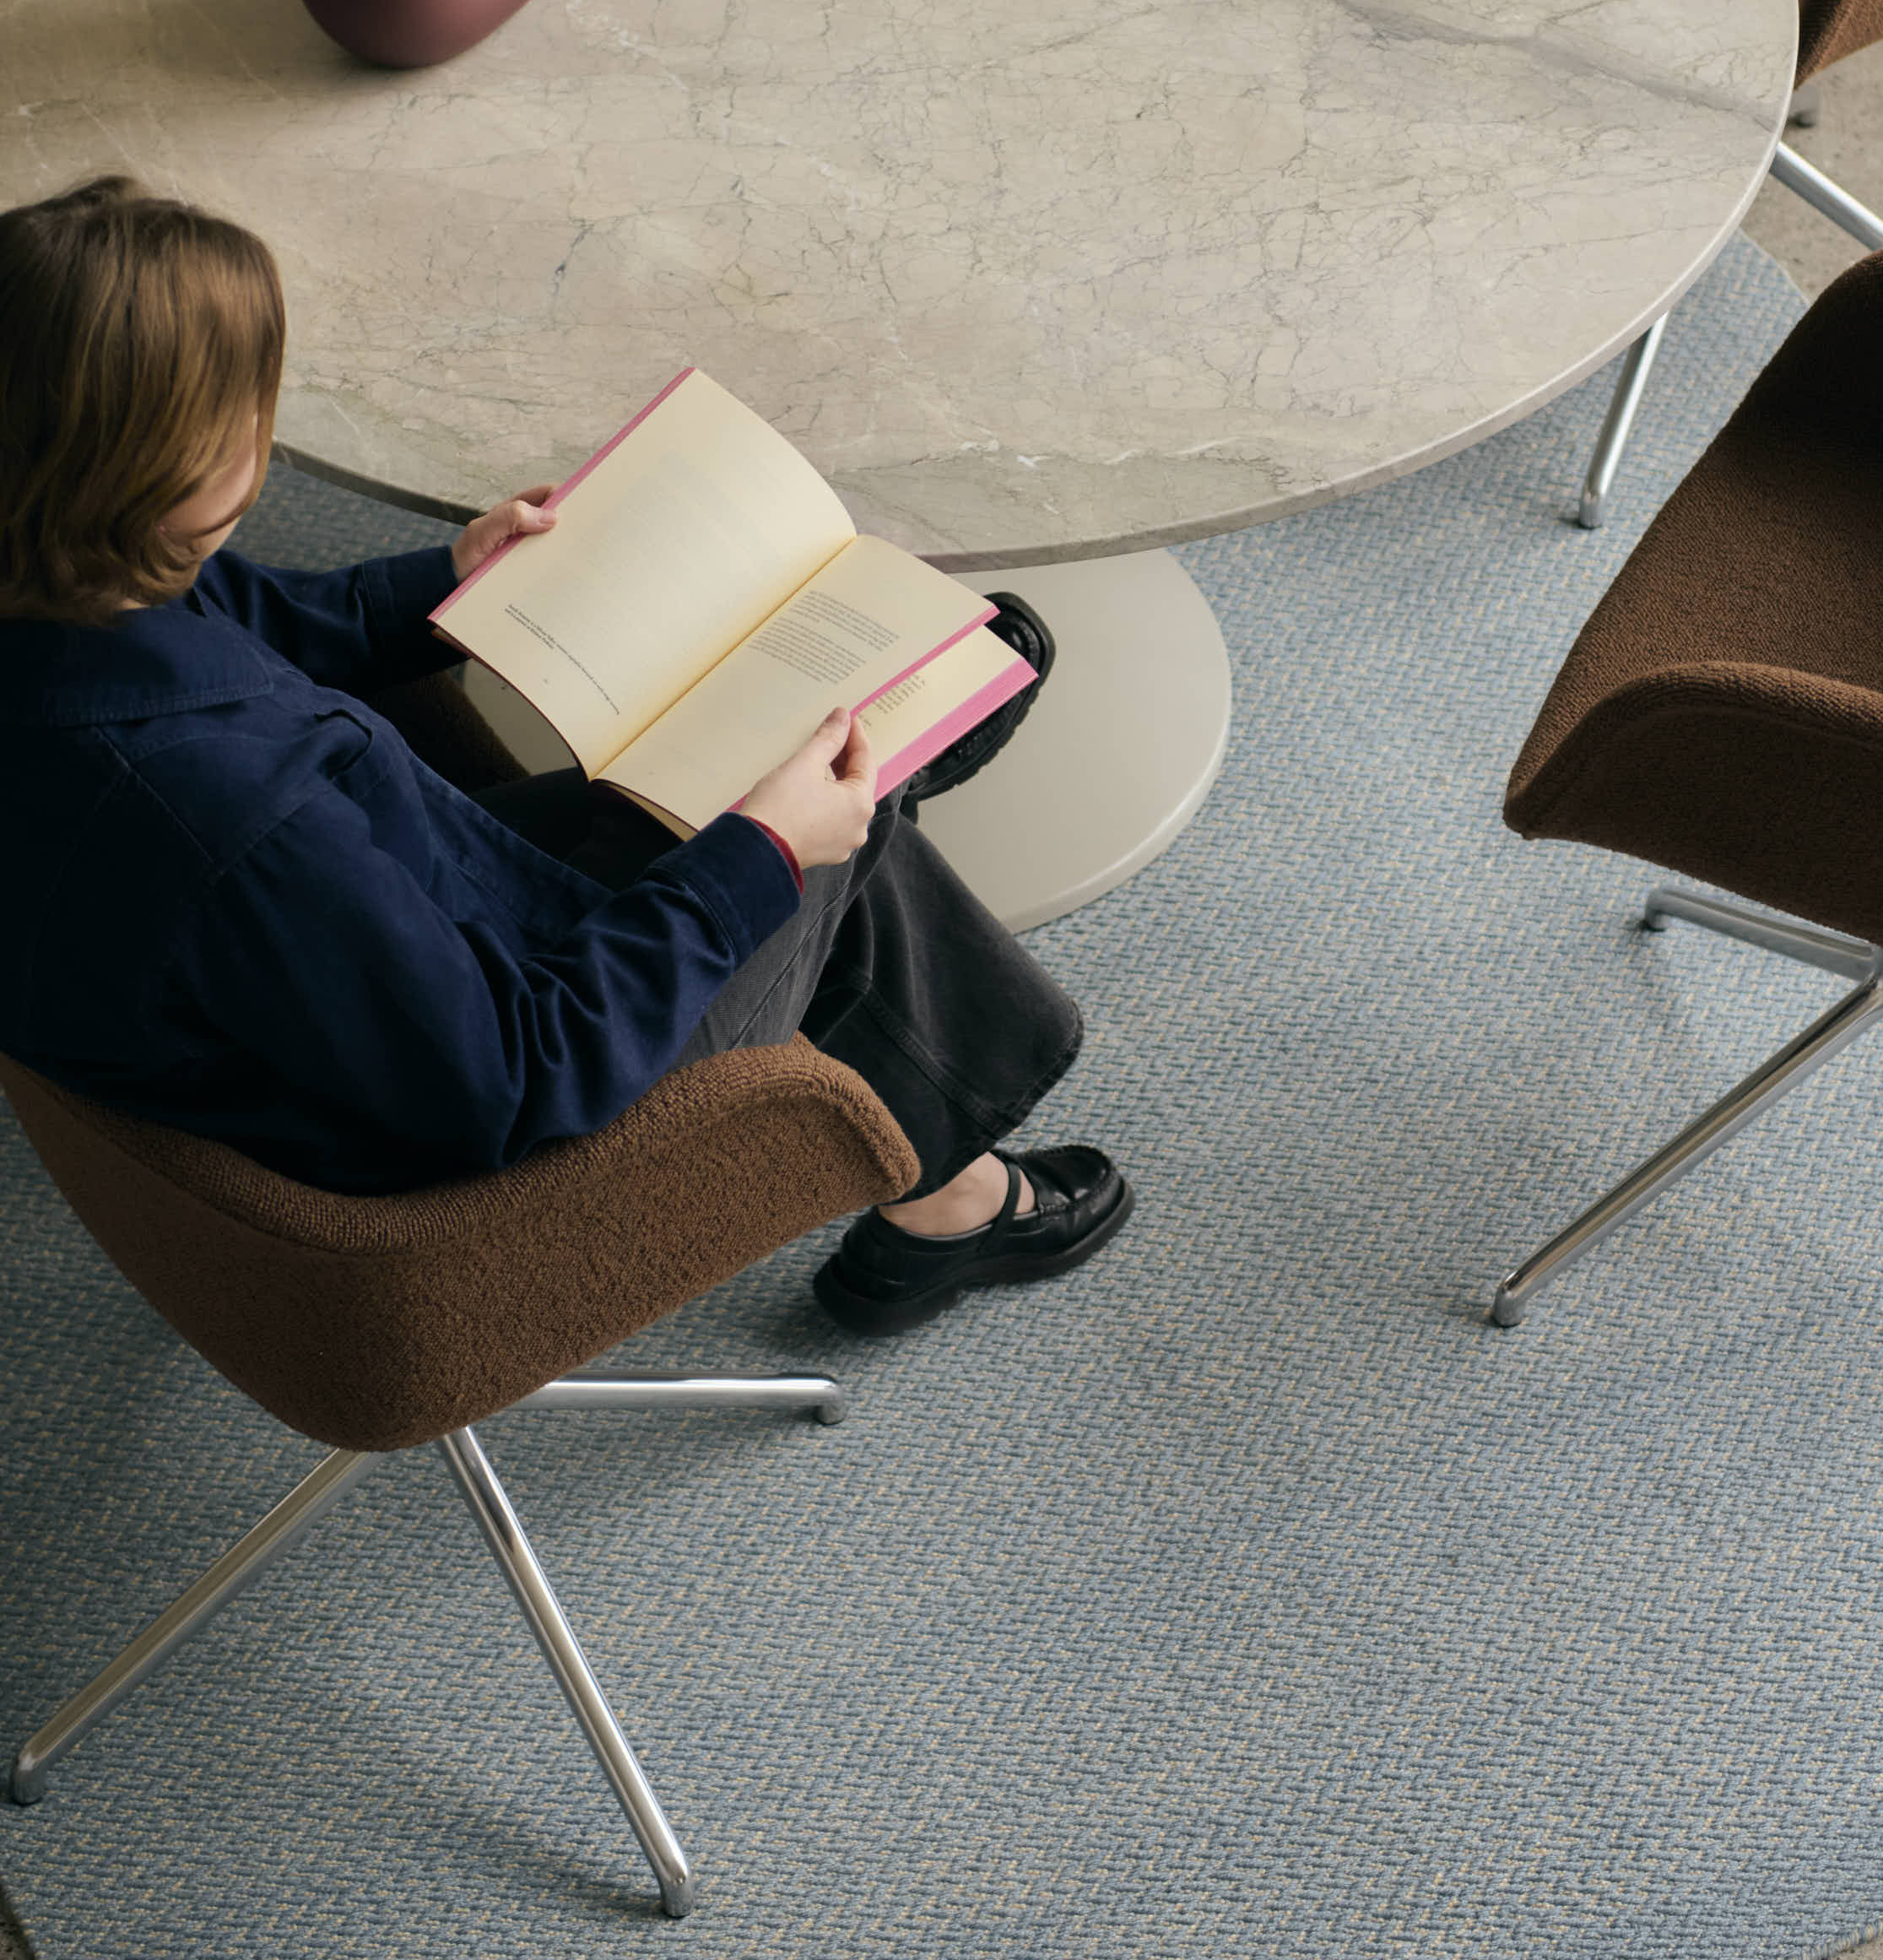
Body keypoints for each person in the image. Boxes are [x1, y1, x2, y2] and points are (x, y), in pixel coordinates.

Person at [0, 176, 1132, 1334]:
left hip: (379, 947)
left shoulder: (62, 565)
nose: (262, 437)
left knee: (758, 787)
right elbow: (523, 1073)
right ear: (150, 472)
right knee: (836, 801)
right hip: (496, 1120)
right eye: (241, 421)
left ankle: (945, 1179)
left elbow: (252, 615)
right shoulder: (230, 828)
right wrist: (765, 851)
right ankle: (950, 1173)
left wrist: (447, 577)